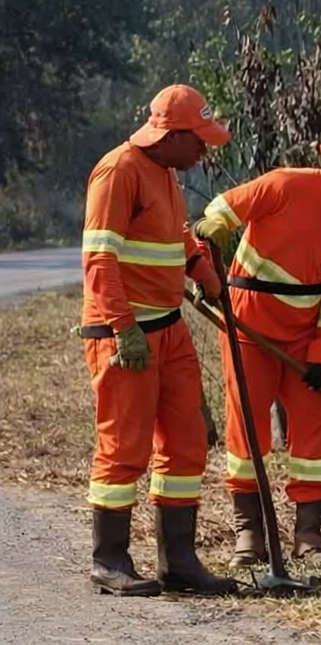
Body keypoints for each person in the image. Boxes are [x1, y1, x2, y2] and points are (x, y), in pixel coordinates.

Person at [192, 129, 321, 567]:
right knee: (247, 428)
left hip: (305, 338)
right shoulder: (285, 185)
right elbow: (222, 210)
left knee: (312, 434)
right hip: (247, 325)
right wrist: (212, 231)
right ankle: (249, 534)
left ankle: (309, 534)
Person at [79, 84, 235, 596]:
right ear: (172, 135)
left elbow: (175, 238)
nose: (204, 150)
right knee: (124, 447)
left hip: (169, 329)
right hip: (126, 335)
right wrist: (124, 330)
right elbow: (99, 262)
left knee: (187, 442)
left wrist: (204, 271)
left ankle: (180, 561)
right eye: (199, 140)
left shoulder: (165, 173)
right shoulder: (118, 171)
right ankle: (110, 560)